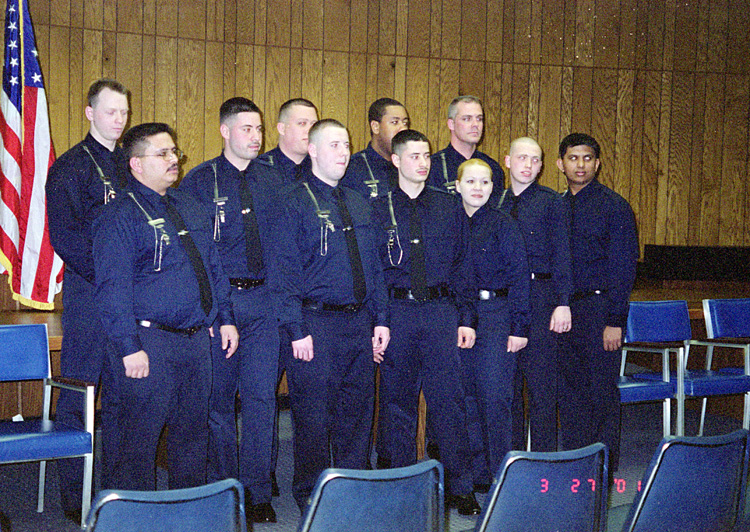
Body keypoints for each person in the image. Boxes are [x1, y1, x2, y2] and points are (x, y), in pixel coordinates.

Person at [93, 122, 238, 493]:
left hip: (194, 343)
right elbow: (113, 288)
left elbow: (212, 267)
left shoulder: (189, 205)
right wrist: (129, 347)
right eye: (163, 154)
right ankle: (131, 519)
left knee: (192, 438)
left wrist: (224, 318)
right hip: (147, 343)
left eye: (175, 152)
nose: (174, 160)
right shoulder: (119, 216)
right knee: (136, 443)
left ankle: (186, 516)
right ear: (136, 164)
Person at [272, 119, 390, 510]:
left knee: (357, 410)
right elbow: (283, 272)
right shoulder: (291, 201)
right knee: (313, 414)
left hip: (358, 322)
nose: (344, 153)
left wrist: (381, 320)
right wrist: (295, 328)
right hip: (314, 324)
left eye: (347, 145)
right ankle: (311, 492)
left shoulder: (358, 201)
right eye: (335, 145)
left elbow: (373, 268)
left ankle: (353, 485)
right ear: (314, 150)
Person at [180, 98, 282, 524]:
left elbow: (284, 246)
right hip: (223, 303)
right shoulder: (200, 182)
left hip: (264, 303)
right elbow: (198, 254)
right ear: (225, 131)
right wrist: (213, 313)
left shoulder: (274, 180)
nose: (256, 137)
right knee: (219, 401)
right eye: (246, 129)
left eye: (259, 129)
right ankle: (228, 487)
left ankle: (258, 491)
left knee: (261, 398)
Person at [372, 129, 480, 515]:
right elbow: (374, 272)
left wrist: (466, 318)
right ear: (397, 160)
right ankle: (398, 484)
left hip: (440, 314)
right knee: (396, 403)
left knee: (448, 403)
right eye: (414, 156)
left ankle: (460, 487)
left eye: (427, 155)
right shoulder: (378, 207)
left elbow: (463, 266)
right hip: (398, 315)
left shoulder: (448, 206)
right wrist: (379, 320)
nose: (423, 162)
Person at [45, 78, 129, 524]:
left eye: (124, 112)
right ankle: (74, 498)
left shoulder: (130, 164)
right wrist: (113, 277)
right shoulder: (70, 168)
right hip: (90, 295)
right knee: (80, 395)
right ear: (89, 112)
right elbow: (66, 238)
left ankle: (116, 490)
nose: (119, 119)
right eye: (111, 111)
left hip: (130, 299)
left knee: (122, 396)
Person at [556, 133, 638, 472]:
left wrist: (615, 320)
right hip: (565, 311)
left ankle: (603, 466)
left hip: (600, 310)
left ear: (597, 163)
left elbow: (623, 266)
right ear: (561, 164)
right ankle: (577, 460)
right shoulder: (557, 205)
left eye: (587, 158)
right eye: (573, 158)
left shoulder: (614, 206)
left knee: (601, 389)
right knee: (571, 390)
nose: (580, 164)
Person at [455, 158, 530, 491]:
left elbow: (519, 278)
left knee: (495, 398)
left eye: (485, 182)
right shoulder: (449, 223)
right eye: (471, 182)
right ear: (457, 186)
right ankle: (475, 475)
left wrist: (520, 327)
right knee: (466, 396)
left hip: (497, 315)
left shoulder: (503, 224)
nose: (478, 188)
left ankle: (503, 477)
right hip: (458, 318)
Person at [497, 137, 573, 453]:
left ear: (541, 166)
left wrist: (563, 303)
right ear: (508, 161)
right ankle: (511, 459)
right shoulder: (494, 202)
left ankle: (543, 460)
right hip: (504, 302)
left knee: (542, 388)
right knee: (508, 387)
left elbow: (563, 256)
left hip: (541, 298)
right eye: (522, 158)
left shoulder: (553, 202)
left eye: (535, 160)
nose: (528, 165)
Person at [427, 95, 504, 196]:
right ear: (451, 124)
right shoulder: (433, 168)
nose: (475, 124)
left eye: (479, 119)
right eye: (467, 119)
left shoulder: (493, 168)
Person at [340, 97, 409, 200]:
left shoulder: (409, 166)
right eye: (395, 122)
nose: (403, 129)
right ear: (375, 127)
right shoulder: (351, 169)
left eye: (405, 123)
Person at [258, 98, 318, 183]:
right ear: (282, 128)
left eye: (314, 124)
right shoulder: (259, 169)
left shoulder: (323, 168)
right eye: (302, 123)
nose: (310, 130)